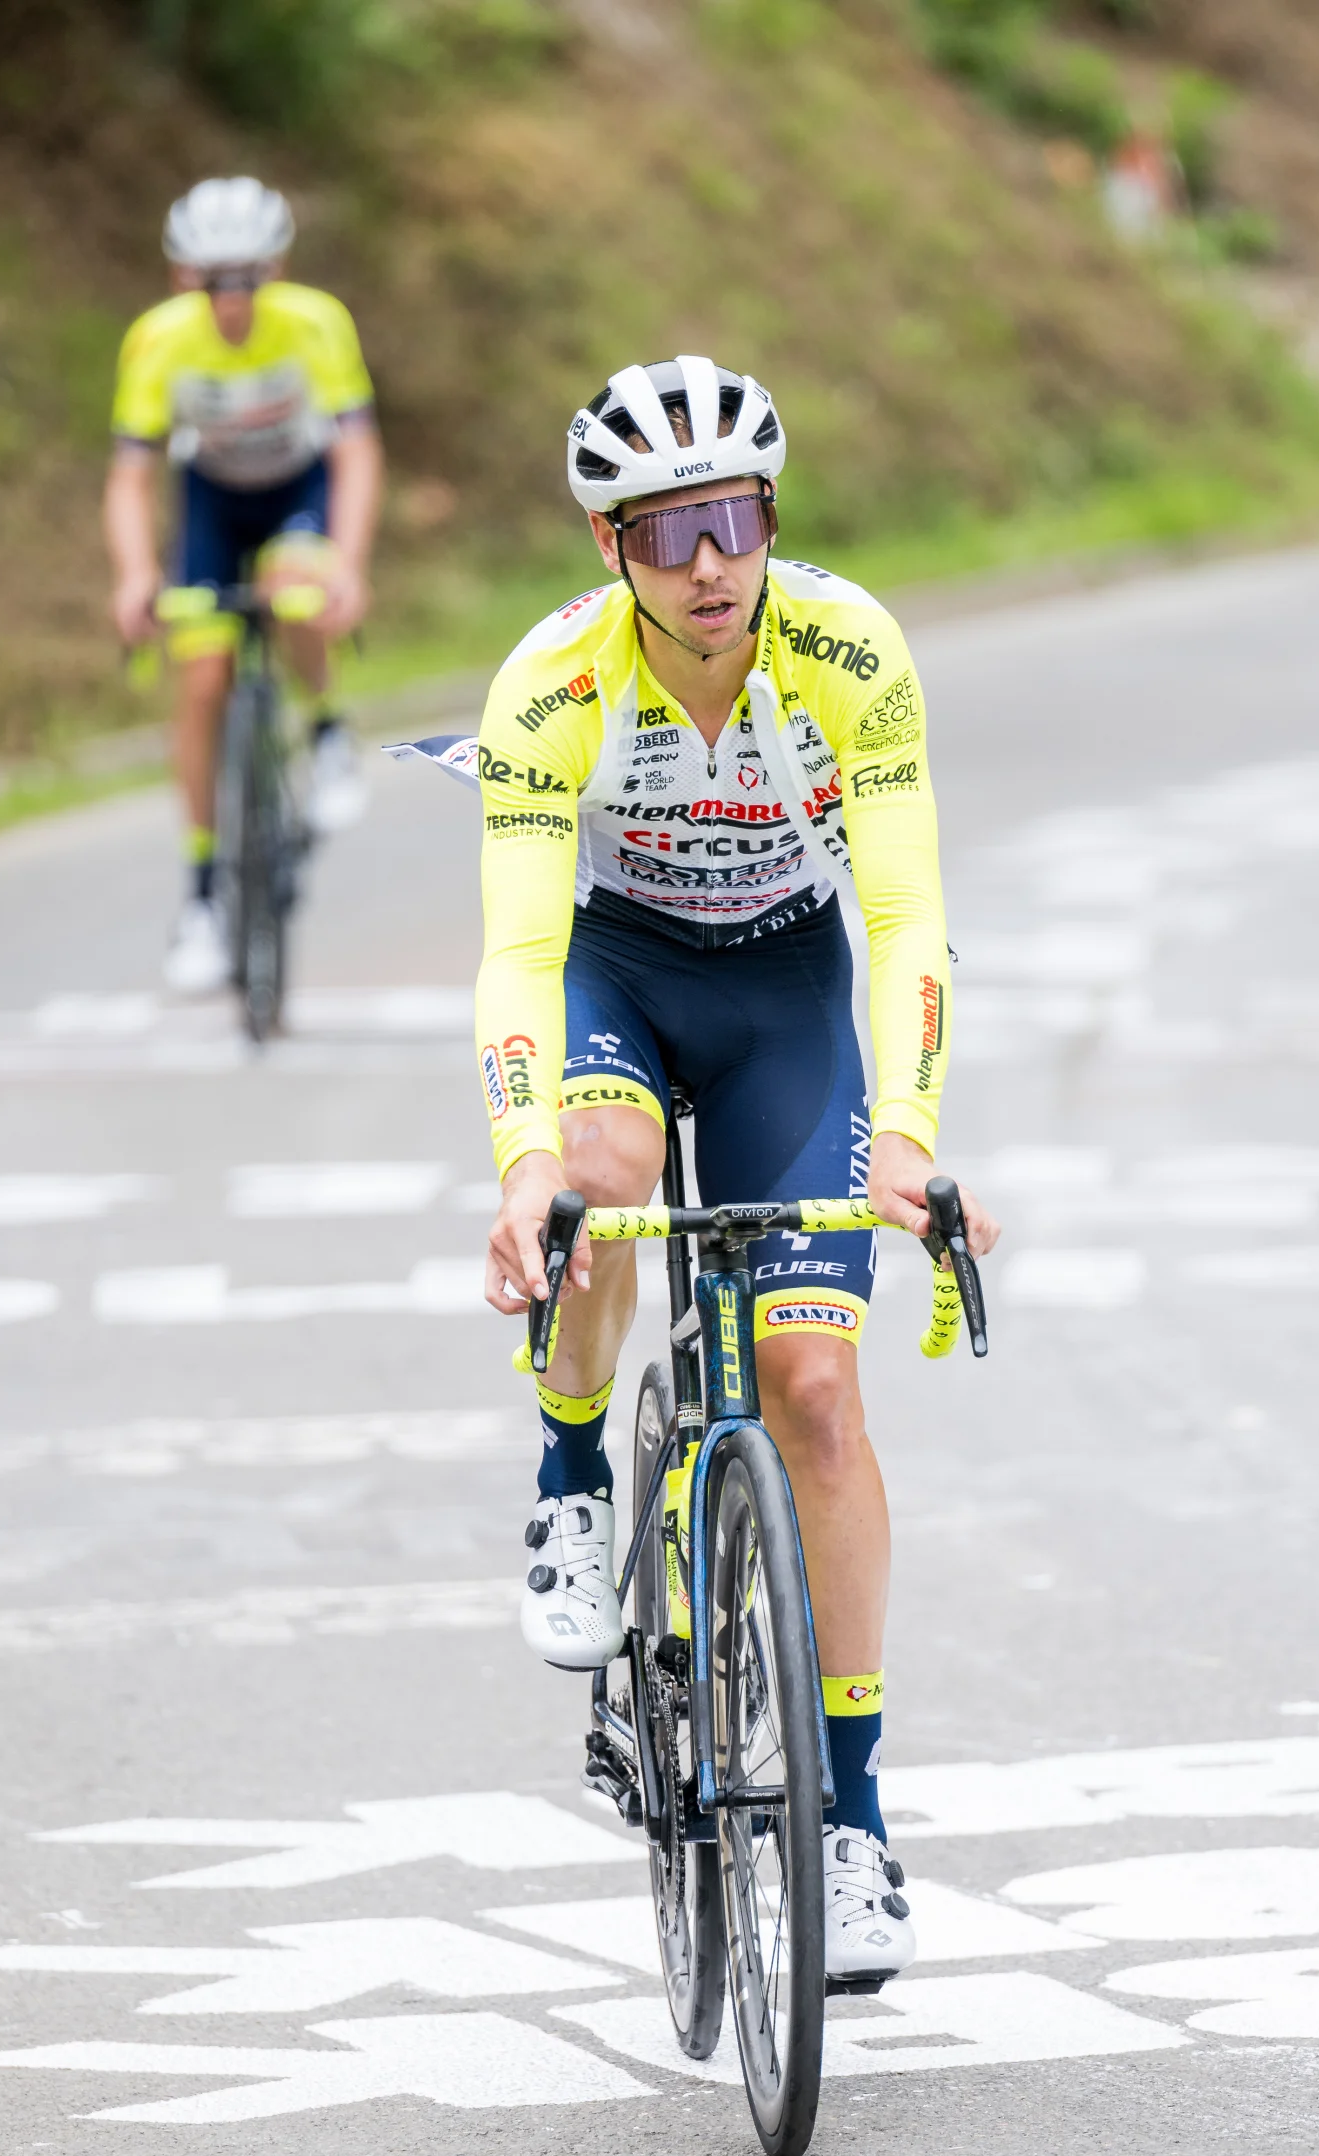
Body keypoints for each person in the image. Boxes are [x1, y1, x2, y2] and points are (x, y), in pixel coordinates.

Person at [470, 355, 996, 1989]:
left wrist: (905, 1141)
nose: (710, 562)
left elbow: (906, 918)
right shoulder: (551, 690)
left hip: (784, 993)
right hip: (614, 977)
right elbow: (514, 952)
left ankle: (851, 1823)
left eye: (735, 519)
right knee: (608, 1171)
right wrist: (524, 1163)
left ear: (770, 518)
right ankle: (571, 1477)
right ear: (609, 549)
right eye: (667, 531)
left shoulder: (850, 653)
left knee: (815, 1393)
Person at [103, 178, 383, 997]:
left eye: (247, 279)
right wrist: (133, 575)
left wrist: (352, 566)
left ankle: (328, 727)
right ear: (180, 278)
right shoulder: (156, 342)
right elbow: (130, 475)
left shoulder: (316, 323)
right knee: (199, 677)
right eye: (211, 281)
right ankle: (199, 894)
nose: (231, 301)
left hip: (298, 489)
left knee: (297, 582)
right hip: (212, 501)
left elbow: (357, 454)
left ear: (276, 269)